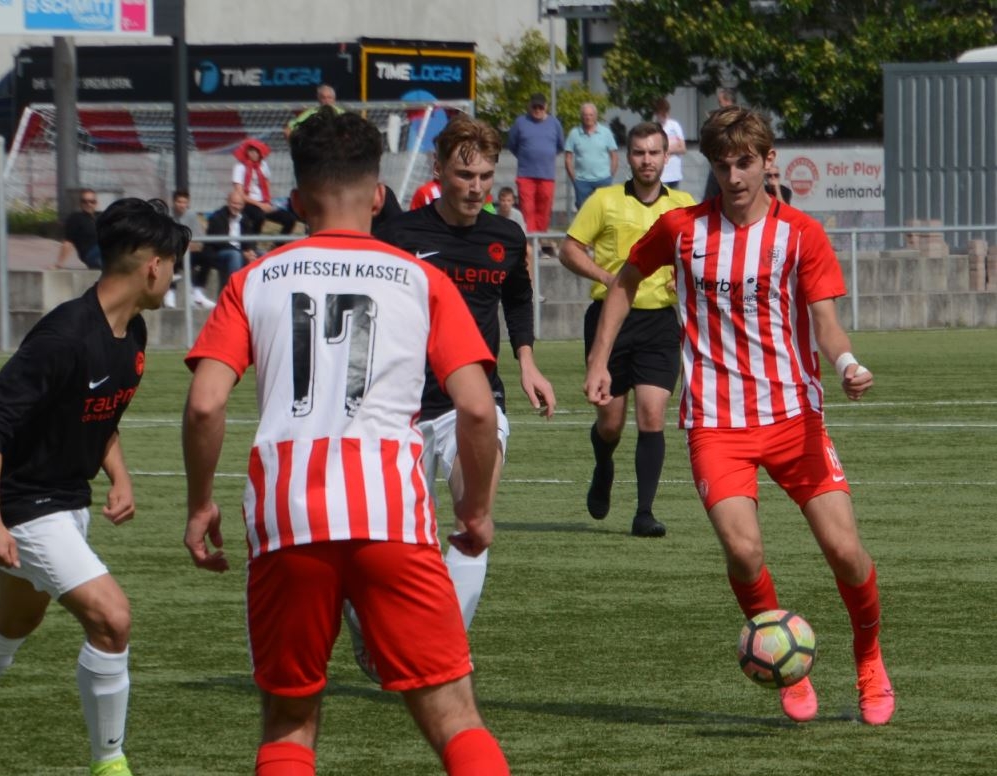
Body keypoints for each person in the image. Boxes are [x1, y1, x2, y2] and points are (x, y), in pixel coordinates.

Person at [182, 107, 519, 776]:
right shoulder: (420, 280)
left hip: (285, 515)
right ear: (377, 196)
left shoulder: (255, 278)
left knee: (290, 719)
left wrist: (200, 504)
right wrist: (477, 508)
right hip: (390, 513)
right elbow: (472, 409)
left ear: (297, 201)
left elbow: (206, 403)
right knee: (456, 718)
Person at [583, 106, 895, 726]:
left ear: (768, 160)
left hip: (793, 418)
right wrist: (598, 361)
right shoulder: (681, 229)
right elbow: (623, 282)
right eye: (723, 164)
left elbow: (826, 323)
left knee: (846, 552)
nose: (735, 175)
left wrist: (848, 365)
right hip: (716, 425)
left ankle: (869, 656)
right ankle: (784, 654)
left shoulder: (800, 233)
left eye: (746, 162)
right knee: (743, 553)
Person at [0, 197, 190, 776]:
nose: (174, 279)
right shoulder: (64, 334)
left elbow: (99, 412)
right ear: (152, 267)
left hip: (67, 497)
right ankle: (109, 767)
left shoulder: (132, 331)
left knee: (17, 617)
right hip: (26, 504)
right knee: (112, 618)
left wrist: (119, 473)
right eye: (175, 266)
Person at [364, 115, 556, 651]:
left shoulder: (506, 237)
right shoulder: (399, 236)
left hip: (471, 402)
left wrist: (526, 361)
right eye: (464, 174)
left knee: (474, 520)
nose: (475, 188)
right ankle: (370, 625)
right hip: (397, 405)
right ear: (438, 168)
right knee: (388, 539)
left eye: (485, 176)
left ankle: (439, 649)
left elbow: (517, 298)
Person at [560, 121, 696, 537]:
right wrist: (606, 276)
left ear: (666, 156)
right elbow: (568, 248)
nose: (647, 160)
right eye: (639, 153)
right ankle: (604, 464)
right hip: (610, 322)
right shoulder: (604, 201)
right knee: (611, 422)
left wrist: (684, 276)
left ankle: (644, 513)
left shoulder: (685, 205)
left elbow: (699, 255)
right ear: (628, 156)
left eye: (654, 152)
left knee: (652, 414)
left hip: (659, 322)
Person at [507, 92, 564, 253]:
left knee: (544, 208)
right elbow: (512, 144)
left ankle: (541, 238)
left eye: (540, 107)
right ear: (529, 106)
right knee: (527, 208)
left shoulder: (555, 123)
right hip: (526, 174)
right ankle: (531, 242)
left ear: (546, 107)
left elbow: (560, 146)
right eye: (535, 106)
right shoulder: (520, 122)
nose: (537, 110)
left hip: (547, 174)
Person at [202, 186, 264, 295]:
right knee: (235, 255)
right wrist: (242, 253)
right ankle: (234, 292)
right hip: (219, 253)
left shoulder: (245, 219)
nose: (236, 207)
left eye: (239, 204)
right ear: (228, 202)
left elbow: (250, 237)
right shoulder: (217, 217)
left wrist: (250, 251)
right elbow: (220, 242)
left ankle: (259, 292)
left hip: (240, 251)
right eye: (234, 203)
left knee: (263, 255)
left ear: (243, 205)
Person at [233, 138, 299, 233]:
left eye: (257, 151)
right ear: (246, 151)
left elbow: (266, 183)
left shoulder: (263, 165)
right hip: (248, 203)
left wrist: (268, 202)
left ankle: (278, 245)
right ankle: (252, 245)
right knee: (259, 217)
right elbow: (240, 194)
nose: (254, 154)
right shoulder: (240, 167)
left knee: (290, 219)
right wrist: (260, 205)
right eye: (251, 151)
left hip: (264, 202)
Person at [564, 102, 619, 210]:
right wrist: (574, 179)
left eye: (591, 115)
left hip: (603, 180)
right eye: (585, 115)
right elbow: (568, 158)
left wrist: (610, 176)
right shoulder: (574, 133)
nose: (588, 118)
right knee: (583, 211)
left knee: (604, 210)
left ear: (595, 116)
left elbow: (614, 156)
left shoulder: (606, 132)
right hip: (582, 181)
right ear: (581, 116)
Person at [169, 189, 215, 308]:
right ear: (174, 202)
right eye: (179, 202)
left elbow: (199, 240)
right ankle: (170, 293)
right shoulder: (168, 216)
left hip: (189, 251)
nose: (182, 205)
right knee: (170, 255)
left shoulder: (191, 216)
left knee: (208, 255)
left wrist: (192, 245)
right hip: (173, 253)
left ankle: (198, 291)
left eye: (185, 202)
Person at [51, 189, 102, 270]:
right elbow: (68, 242)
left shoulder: (101, 216)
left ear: (96, 203)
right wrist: (59, 264)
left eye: (92, 201)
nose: (88, 204)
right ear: (80, 203)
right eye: (84, 201)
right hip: (91, 254)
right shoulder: (76, 218)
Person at [702, 88, 737, 201]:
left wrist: (711, 123)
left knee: (711, 198)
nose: (719, 104)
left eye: (720, 101)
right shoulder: (741, 116)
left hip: (722, 161)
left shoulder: (727, 118)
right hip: (726, 162)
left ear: (726, 101)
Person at [653, 97, 687, 190]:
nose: (665, 116)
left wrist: (667, 149)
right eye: (662, 114)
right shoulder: (654, 128)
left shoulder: (674, 125)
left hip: (674, 173)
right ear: (657, 113)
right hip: (660, 174)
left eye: (666, 113)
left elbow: (683, 148)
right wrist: (673, 146)